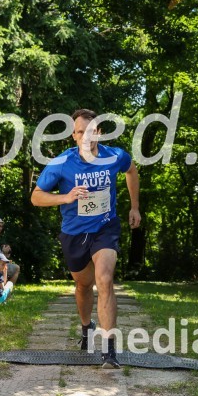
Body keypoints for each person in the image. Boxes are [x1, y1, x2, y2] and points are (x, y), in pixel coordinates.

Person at [31, 108, 141, 368]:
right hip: (74, 232)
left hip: (105, 228)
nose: (86, 137)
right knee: (83, 285)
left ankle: (109, 351)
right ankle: (85, 327)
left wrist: (134, 207)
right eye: (80, 132)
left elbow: (131, 170)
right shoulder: (61, 163)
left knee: (104, 279)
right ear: (73, 135)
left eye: (91, 131)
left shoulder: (115, 156)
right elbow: (36, 197)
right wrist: (65, 197)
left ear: (99, 132)